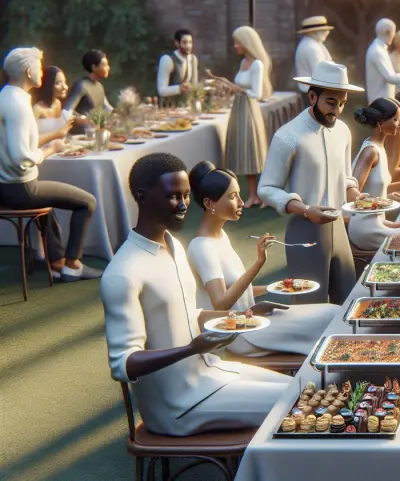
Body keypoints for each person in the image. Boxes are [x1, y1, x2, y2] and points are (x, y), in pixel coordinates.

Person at [100, 152, 290, 437]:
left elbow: (188, 315)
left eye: (187, 195)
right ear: (142, 196)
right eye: (173, 196)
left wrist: (238, 316)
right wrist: (191, 349)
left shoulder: (174, 246)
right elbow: (123, 364)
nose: (184, 204)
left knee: (299, 389)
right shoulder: (123, 273)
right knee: (295, 403)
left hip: (211, 372)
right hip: (177, 406)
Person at [186, 161, 340, 356]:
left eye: (239, 194)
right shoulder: (202, 247)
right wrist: (259, 263)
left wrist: (272, 288)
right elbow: (221, 303)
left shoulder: (220, 237)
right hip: (238, 335)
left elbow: (236, 290)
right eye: (233, 197)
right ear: (209, 203)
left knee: (332, 312)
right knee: (329, 318)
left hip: (250, 320)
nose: (241, 202)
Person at [258, 61, 365, 305]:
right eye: (331, 103)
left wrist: (354, 193)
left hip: (339, 228)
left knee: (347, 301)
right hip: (304, 231)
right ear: (312, 97)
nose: (337, 111)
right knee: (309, 306)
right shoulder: (287, 136)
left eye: (342, 104)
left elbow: (345, 176)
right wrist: (306, 209)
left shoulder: (343, 131)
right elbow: (266, 189)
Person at [0, 48, 100, 282]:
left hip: (5, 186)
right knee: (88, 202)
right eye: (38, 68)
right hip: (19, 189)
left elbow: (16, 145)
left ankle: (56, 262)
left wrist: (52, 140)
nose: (41, 73)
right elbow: (21, 157)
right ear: (28, 71)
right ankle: (73, 265)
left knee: (50, 200)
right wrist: (50, 150)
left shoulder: (5, 96)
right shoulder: (18, 105)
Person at [350, 98, 400, 250]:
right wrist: (384, 206)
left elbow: (382, 190)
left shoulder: (380, 147)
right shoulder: (370, 151)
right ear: (380, 122)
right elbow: (354, 196)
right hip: (364, 229)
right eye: (395, 119)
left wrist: (393, 224)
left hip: (377, 223)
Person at [206, 26, 272, 209]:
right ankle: (253, 195)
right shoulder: (244, 62)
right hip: (238, 108)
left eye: (237, 42)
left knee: (252, 150)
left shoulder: (257, 65)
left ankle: (261, 195)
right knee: (242, 150)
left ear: (246, 43)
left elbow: (256, 93)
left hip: (248, 109)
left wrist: (231, 86)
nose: (235, 45)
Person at [65, 49, 113, 132]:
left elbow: (108, 109)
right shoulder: (81, 85)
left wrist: (125, 110)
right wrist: (85, 120)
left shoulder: (99, 86)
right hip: (81, 135)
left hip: (97, 132)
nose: (108, 68)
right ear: (94, 67)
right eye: (105, 65)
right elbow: (67, 111)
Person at [32, 66, 80, 138]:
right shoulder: (37, 109)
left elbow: (58, 131)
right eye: (58, 83)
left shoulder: (57, 103)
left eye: (65, 82)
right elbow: (31, 138)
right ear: (48, 85)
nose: (65, 87)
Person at [157, 29, 201, 104]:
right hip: (169, 106)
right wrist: (179, 88)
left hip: (188, 106)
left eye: (190, 42)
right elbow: (161, 90)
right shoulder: (167, 60)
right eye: (184, 42)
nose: (188, 46)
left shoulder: (193, 59)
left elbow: (195, 86)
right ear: (177, 43)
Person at [294, 16, 334, 93]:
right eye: (323, 30)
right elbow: (320, 74)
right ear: (313, 32)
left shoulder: (312, 44)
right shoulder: (311, 47)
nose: (327, 32)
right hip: (314, 93)